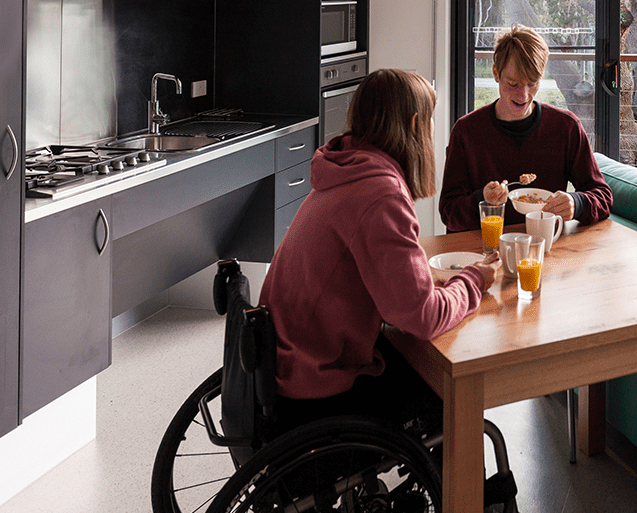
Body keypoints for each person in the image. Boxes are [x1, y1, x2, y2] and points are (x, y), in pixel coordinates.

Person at [259, 68, 502, 437]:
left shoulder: (346, 169)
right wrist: (474, 280)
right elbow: (422, 317)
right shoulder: (381, 194)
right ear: (417, 124)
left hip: (286, 364)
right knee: (454, 392)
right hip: (317, 390)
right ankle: (467, 494)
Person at [439, 24, 613, 231]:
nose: (523, 96)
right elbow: (449, 213)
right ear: (496, 72)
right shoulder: (467, 132)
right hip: (484, 251)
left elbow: (602, 196)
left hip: (545, 246)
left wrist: (577, 203)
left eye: (532, 83)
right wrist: (482, 199)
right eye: (513, 84)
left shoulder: (566, 128)